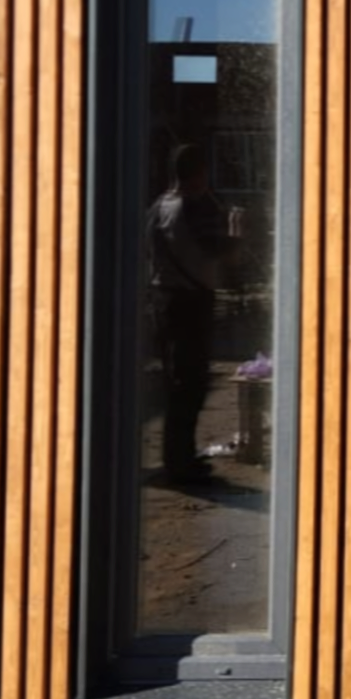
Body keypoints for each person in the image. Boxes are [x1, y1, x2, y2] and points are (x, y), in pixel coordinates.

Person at [146, 143, 242, 482]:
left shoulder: (159, 206)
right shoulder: (194, 207)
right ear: (199, 173)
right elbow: (219, 251)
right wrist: (236, 228)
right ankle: (181, 464)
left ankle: (178, 456)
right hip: (191, 300)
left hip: (163, 298)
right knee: (191, 384)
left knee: (177, 383)